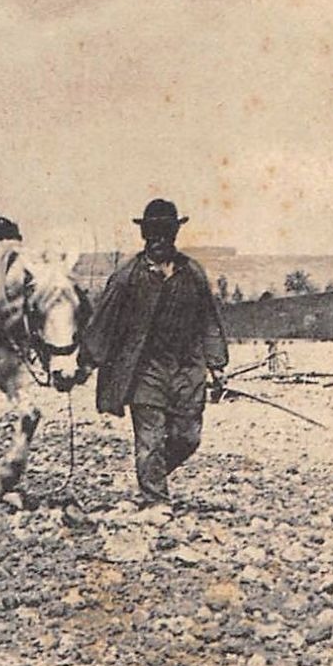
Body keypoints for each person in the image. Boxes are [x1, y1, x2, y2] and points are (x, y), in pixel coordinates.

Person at [78, 199, 229, 512]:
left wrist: (217, 364)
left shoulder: (192, 273)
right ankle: (155, 499)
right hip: (143, 369)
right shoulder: (127, 276)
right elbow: (103, 321)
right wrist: (86, 361)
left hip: (187, 368)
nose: (159, 240)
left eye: (166, 233)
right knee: (149, 437)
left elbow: (209, 320)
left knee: (188, 437)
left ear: (174, 234)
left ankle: (152, 475)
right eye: (153, 234)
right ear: (145, 236)